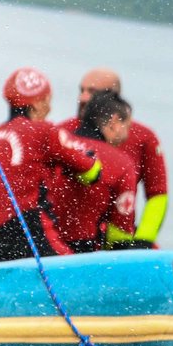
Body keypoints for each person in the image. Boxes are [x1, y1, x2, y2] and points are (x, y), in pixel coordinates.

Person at [0, 67, 99, 261]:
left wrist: (3, 234)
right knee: (70, 274)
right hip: (34, 231)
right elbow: (92, 171)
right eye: (48, 101)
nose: (50, 109)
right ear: (36, 104)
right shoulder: (45, 131)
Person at [58, 69, 168, 246]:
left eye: (92, 92)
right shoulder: (61, 132)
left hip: (117, 234)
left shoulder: (143, 138)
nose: (83, 98)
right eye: (82, 90)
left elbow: (157, 195)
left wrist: (143, 240)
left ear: (113, 98)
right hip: (66, 237)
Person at [50, 91, 138, 253]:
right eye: (127, 125)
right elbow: (120, 232)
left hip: (36, 245)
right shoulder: (121, 164)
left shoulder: (56, 146)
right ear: (114, 122)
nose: (127, 134)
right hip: (81, 252)